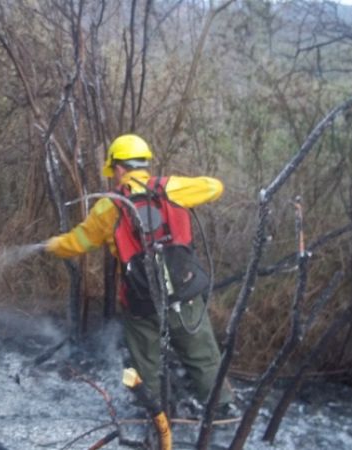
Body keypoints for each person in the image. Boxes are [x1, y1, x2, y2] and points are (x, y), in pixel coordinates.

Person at [44, 134, 235, 417]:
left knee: (146, 362)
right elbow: (215, 187)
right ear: (144, 163)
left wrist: (51, 245)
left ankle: (157, 416)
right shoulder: (171, 188)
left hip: (140, 302)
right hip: (185, 293)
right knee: (203, 356)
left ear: (118, 168)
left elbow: (76, 244)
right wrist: (174, 188)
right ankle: (222, 410)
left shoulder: (108, 207)